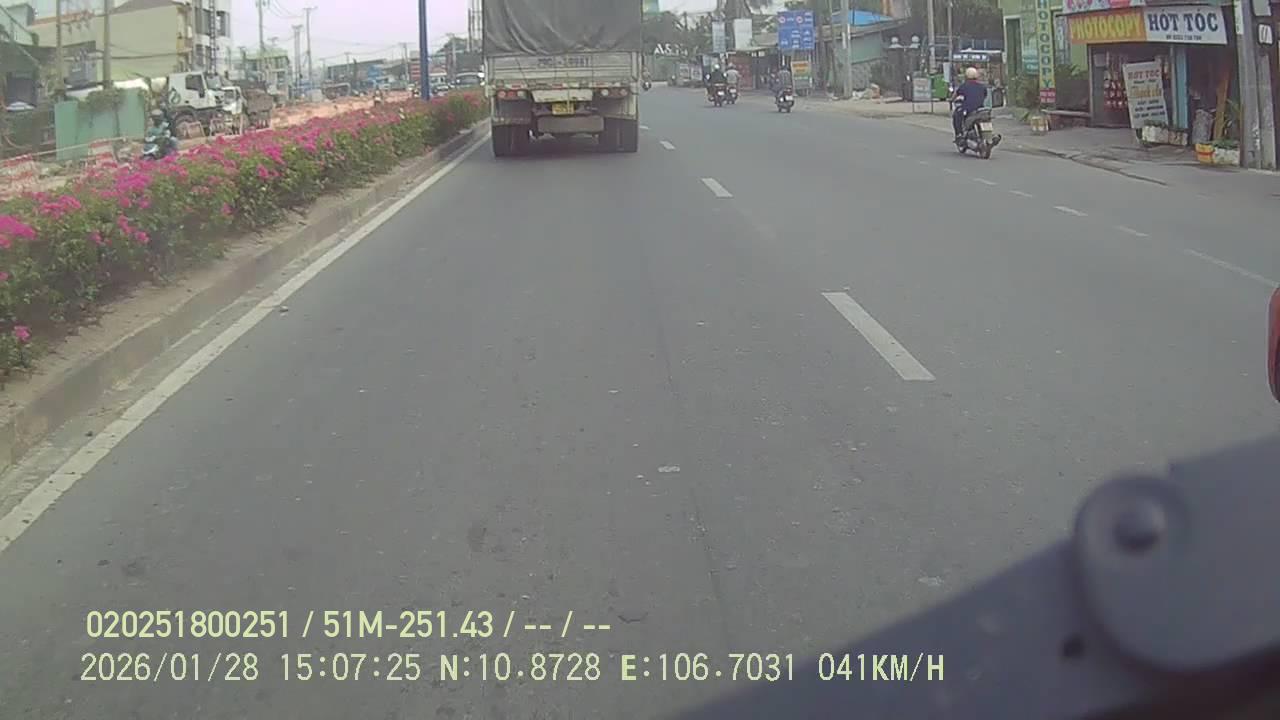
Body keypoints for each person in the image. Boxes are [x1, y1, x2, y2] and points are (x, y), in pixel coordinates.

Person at [952, 66, 988, 139]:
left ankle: (959, 134)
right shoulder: (982, 86)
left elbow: (955, 95)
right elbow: (985, 95)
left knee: (956, 115)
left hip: (968, 109)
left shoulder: (963, 86)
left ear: (966, 76)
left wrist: (951, 99)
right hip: (980, 109)